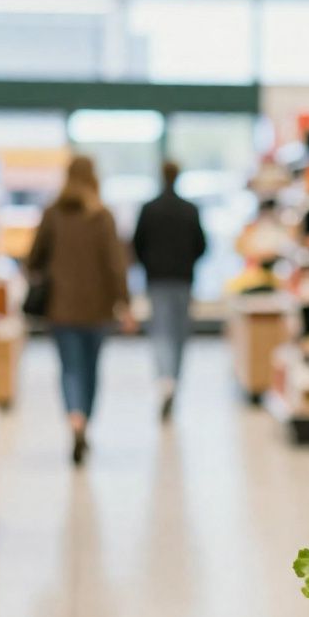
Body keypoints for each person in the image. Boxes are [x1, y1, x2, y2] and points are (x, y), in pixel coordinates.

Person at [27, 155, 133, 464]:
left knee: (69, 368)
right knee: (91, 368)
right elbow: (117, 266)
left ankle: (74, 419)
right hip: (98, 309)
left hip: (61, 307)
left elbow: (33, 258)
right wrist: (124, 304)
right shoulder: (103, 217)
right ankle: (85, 419)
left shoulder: (53, 214)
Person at [133, 161, 208, 419]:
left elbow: (137, 244)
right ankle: (173, 379)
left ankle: (164, 380)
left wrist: (150, 264)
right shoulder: (189, 210)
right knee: (179, 333)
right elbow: (201, 245)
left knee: (161, 331)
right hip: (183, 278)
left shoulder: (148, 209)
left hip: (157, 278)